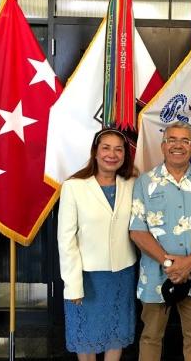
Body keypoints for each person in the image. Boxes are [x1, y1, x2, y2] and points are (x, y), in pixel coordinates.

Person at [129, 121, 191, 361]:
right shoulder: (144, 182)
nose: (178, 145)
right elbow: (137, 231)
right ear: (163, 146)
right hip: (154, 276)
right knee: (150, 337)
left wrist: (189, 263)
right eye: (172, 139)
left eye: (185, 141)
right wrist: (169, 263)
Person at [57, 128, 137, 361]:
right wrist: (72, 284)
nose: (112, 154)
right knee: (87, 339)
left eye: (118, 149)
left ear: (124, 154)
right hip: (86, 277)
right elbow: (66, 239)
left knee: (116, 334)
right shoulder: (74, 186)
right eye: (106, 148)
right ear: (95, 152)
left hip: (122, 273)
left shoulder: (131, 183)